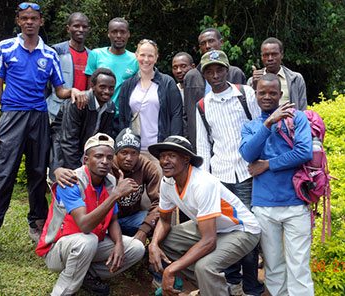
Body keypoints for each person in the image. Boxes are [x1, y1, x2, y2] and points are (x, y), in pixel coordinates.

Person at [0, 2, 87, 261]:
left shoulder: (49, 54)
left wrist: (72, 91)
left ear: (41, 22)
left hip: (39, 117)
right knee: (3, 176)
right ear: (18, 20)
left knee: (38, 174)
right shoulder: (6, 47)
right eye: (24, 18)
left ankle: (36, 224)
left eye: (34, 18)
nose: (29, 22)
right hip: (12, 116)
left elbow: (59, 89)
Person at [147, 136, 261, 296]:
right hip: (210, 227)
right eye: (162, 156)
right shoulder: (167, 182)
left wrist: (170, 269)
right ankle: (214, 285)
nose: (165, 161)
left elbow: (209, 241)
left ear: (186, 159)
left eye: (171, 156)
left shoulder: (202, 183)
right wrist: (153, 244)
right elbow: (165, 221)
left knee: (205, 267)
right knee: (165, 241)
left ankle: (212, 285)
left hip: (241, 229)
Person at [36, 133, 145, 296]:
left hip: (90, 243)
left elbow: (113, 219)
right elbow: (85, 225)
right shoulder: (71, 181)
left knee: (136, 248)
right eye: (98, 156)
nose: (105, 162)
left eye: (109, 157)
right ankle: (62, 291)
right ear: (86, 159)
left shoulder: (110, 181)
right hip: (58, 249)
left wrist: (119, 245)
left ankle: (87, 274)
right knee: (88, 240)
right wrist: (116, 195)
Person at [196, 50, 264, 296]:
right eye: (210, 71)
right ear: (204, 74)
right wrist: (204, 179)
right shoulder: (202, 105)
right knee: (226, 230)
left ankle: (251, 285)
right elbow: (203, 144)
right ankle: (232, 282)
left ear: (227, 70)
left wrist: (262, 163)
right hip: (220, 177)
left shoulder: (246, 94)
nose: (215, 75)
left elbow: (260, 129)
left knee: (248, 230)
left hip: (246, 173)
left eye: (219, 70)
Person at [240, 73, 314, 295]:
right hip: (264, 205)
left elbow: (304, 152)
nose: (267, 96)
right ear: (255, 95)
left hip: (295, 203)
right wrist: (268, 123)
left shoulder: (297, 118)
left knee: (299, 265)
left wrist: (267, 165)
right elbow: (247, 153)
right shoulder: (251, 126)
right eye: (262, 92)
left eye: (273, 93)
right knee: (273, 266)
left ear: (281, 95)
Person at [119, 39, 183, 163]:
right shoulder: (128, 85)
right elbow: (122, 118)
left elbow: (176, 116)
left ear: (156, 58)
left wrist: (172, 147)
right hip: (134, 151)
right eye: (142, 55)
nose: (146, 60)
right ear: (136, 55)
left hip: (160, 150)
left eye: (150, 56)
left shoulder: (167, 83)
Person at [183, 28, 246, 151]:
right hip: (199, 141)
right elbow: (187, 114)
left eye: (211, 41)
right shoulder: (191, 77)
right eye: (203, 43)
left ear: (221, 43)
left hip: (232, 142)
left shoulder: (235, 73)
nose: (207, 46)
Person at [51, 68, 116, 183]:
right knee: (71, 184)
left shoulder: (110, 107)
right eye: (102, 87)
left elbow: (104, 140)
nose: (107, 91)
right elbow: (68, 141)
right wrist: (78, 173)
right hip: (61, 150)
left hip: (86, 150)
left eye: (111, 88)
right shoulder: (78, 102)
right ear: (93, 86)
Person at [85, 17, 138, 136]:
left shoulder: (135, 59)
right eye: (114, 32)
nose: (118, 35)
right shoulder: (96, 54)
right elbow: (90, 86)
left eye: (122, 32)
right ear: (108, 34)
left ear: (128, 34)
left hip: (121, 117)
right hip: (98, 114)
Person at [112, 128, 160, 245]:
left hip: (133, 218)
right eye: (124, 153)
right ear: (116, 153)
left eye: (134, 153)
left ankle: (150, 254)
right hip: (109, 219)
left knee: (161, 221)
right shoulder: (107, 165)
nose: (129, 158)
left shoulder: (147, 166)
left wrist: (143, 230)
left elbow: (160, 203)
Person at [46, 12, 91, 122]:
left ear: (88, 29)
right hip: (55, 110)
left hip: (81, 111)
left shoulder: (91, 55)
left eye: (84, 27)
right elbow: (44, 83)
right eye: (76, 26)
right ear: (68, 28)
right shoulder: (56, 51)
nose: (80, 29)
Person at [248, 37, 307, 110]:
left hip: (291, 120)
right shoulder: (253, 81)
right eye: (266, 55)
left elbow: (302, 109)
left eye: (274, 54)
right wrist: (254, 87)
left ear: (281, 55)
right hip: (263, 121)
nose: (270, 59)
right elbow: (250, 110)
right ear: (261, 57)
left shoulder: (295, 79)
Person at [172, 52, 195, 137]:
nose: (178, 71)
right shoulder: (172, 91)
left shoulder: (201, 90)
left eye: (183, 66)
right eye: (175, 67)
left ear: (193, 67)